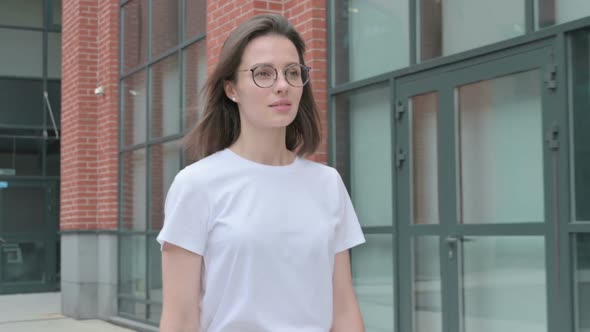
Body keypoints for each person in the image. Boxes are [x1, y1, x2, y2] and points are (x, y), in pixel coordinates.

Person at [157, 13, 366, 332]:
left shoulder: (327, 183)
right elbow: (181, 317)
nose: (282, 85)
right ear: (232, 89)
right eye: (263, 73)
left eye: (292, 72)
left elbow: (344, 307)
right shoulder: (197, 185)